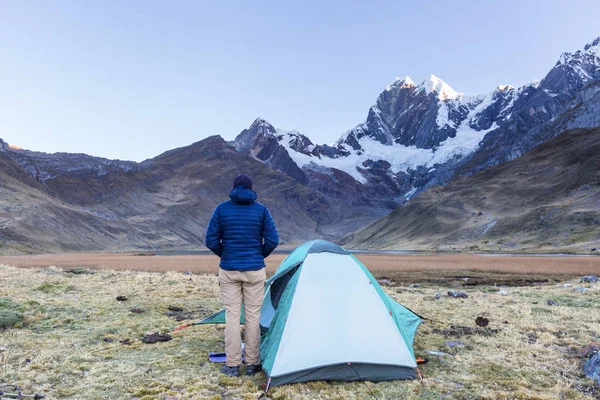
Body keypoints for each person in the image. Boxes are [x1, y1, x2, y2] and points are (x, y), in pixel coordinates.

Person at [205, 174, 279, 377]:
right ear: (251, 188)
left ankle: (232, 365)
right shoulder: (262, 210)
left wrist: (226, 255)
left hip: (229, 270)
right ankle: (253, 364)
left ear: (234, 187)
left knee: (231, 317)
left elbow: (210, 240)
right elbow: (273, 239)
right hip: (255, 270)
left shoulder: (221, 209)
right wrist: (258, 255)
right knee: (253, 318)